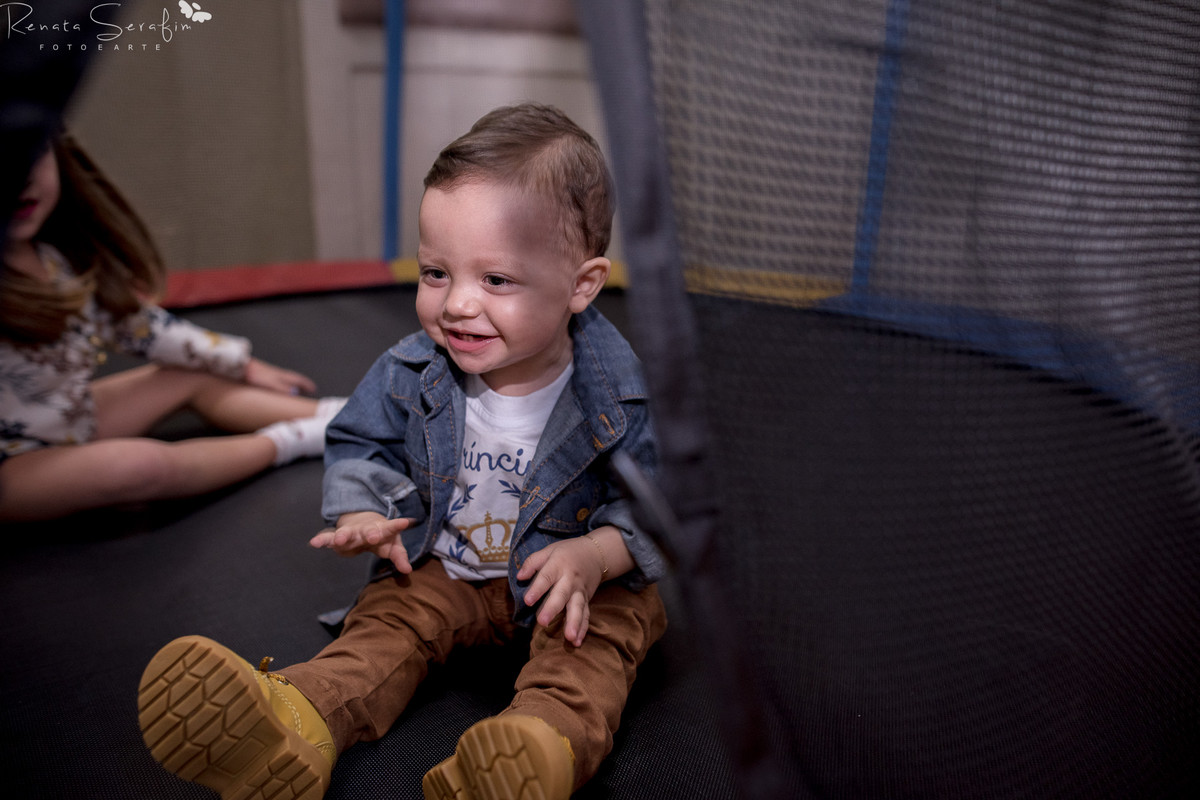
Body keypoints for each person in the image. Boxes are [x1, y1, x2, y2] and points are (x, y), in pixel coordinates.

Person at [138, 103, 668, 800]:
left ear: (582, 284)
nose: (456, 306)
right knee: (383, 630)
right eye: (436, 273)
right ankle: (294, 717)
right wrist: (365, 509)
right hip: (446, 567)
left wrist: (596, 554)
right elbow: (362, 441)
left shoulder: (619, 393)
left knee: (590, 657)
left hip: (574, 587)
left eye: (496, 281)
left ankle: (538, 749)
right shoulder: (412, 369)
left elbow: (663, 504)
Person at [0, 133, 345, 522]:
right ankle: (291, 441)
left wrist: (241, 364)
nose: (21, 176)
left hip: (64, 416)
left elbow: (141, 327)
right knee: (138, 467)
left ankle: (349, 417)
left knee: (189, 372)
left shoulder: (55, 256)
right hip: (13, 466)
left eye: (32, 152)